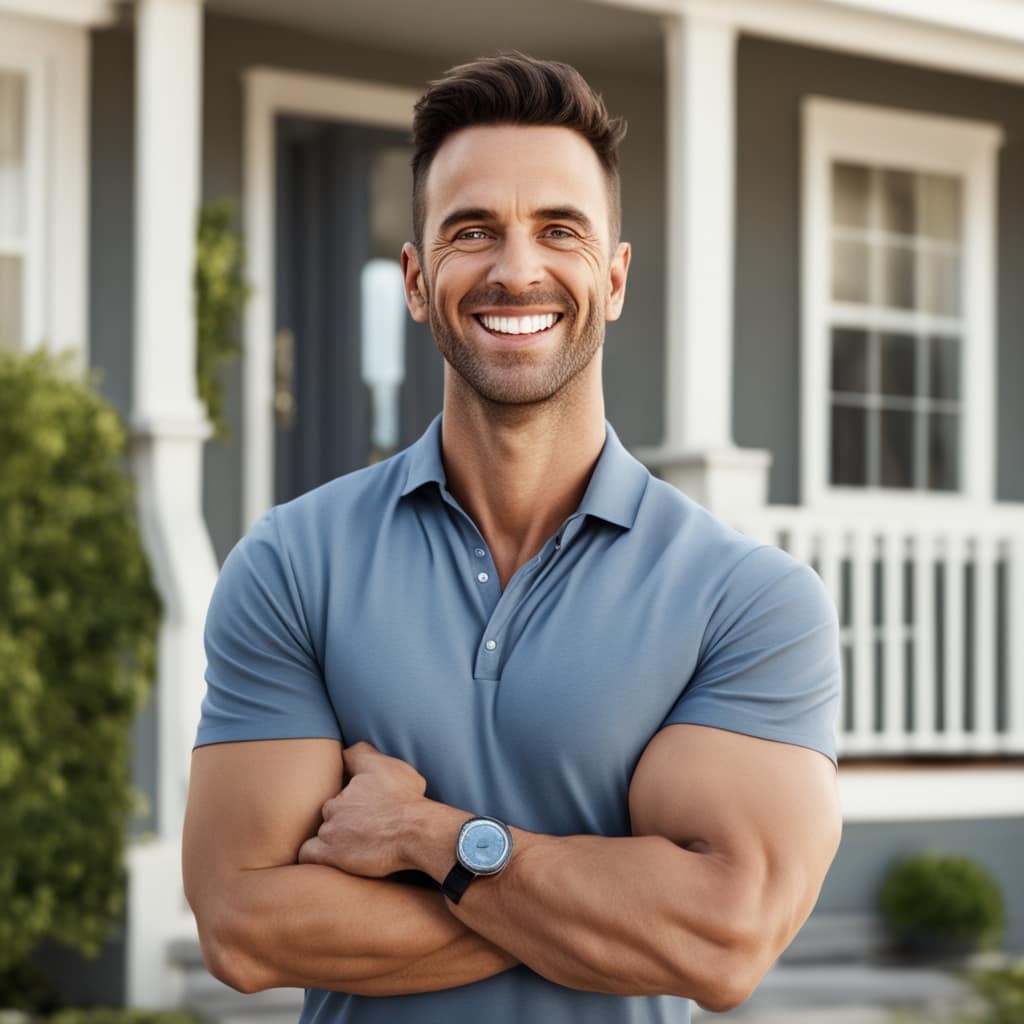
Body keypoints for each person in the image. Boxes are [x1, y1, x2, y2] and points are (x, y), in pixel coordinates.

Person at [183, 53, 842, 1024]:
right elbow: (245, 928)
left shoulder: (744, 600)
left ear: (614, 278)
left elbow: (721, 938)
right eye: (472, 230)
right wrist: (599, 909)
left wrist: (424, 835)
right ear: (416, 281)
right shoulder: (292, 564)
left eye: (559, 230)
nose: (517, 269)